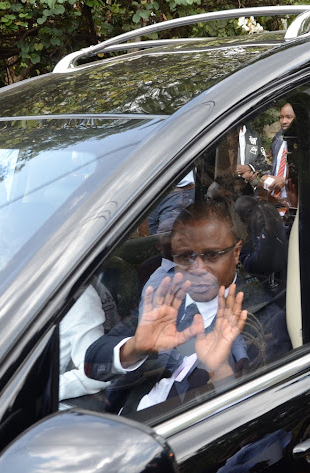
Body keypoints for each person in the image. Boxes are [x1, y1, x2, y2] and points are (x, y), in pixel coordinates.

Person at [85, 200, 290, 413]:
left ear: (236, 253)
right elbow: (92, 363)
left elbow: (258, 420)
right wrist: (136, 347)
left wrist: (220, 372)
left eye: (211, 255)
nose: (198, 268)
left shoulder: (265, 319)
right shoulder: (167, 302)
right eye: (185, 256)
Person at [261, 103, 295, 199]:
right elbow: (275, 167)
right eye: (281, 117)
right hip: (275, 201)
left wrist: (285, 181)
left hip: (292, 201)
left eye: (289, 117)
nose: (283, 121)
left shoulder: (305, 144)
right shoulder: (278, 140)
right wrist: (265, 178)